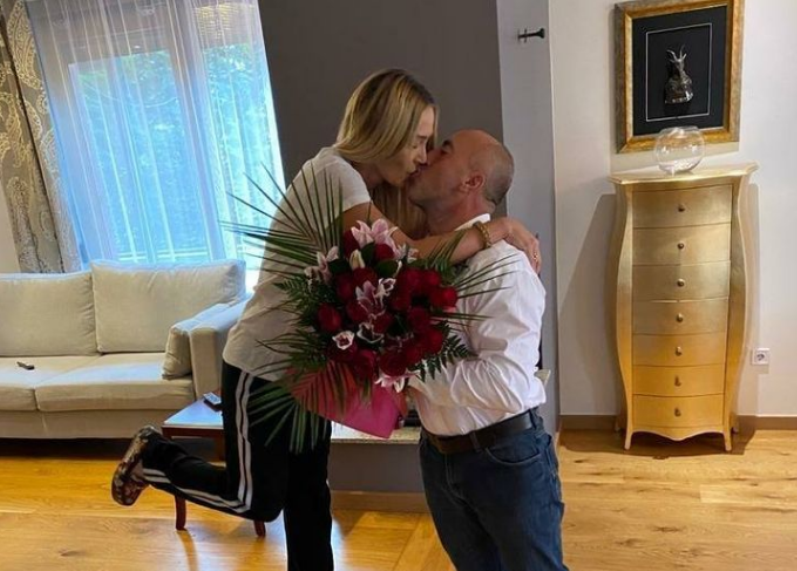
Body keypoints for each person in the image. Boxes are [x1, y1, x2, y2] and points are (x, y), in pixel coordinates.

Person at [110, 69, 542, 571]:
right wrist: (496, 228)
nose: (423, 156)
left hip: (306, 367)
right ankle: (154, 456)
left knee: (309, 499)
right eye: (419, 141)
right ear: (388, 129)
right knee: (255, 498)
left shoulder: (365, 189)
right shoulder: (333, 173)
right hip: (261, 365)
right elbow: (406, 259)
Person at [407, 129, 568, 571]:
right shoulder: (414, 259)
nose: (425, 156)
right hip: (437, 453)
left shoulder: (503, 267)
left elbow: (504, 382)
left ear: (471, 181)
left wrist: (404, 364)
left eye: (444, 151)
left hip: (506, 460)